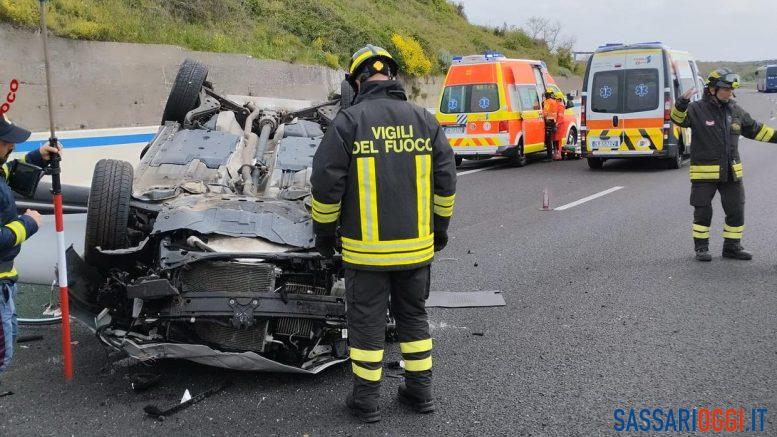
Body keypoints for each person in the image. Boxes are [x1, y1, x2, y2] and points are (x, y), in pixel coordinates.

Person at [311, 44, 456, 422]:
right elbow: (446, 183)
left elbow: (325, 187)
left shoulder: (348, 123)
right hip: (416, 251)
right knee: (413, 318)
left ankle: (366, 402)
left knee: (367, 325)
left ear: (356, 82)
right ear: (392, 77)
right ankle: (420, 393)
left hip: (366, 255)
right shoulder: (424, 120)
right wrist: (439, 229)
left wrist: (324, 235)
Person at [670, 68, 777, 261]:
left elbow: (757, 130)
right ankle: (701, 248)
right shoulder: (696, 109)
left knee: (736, 210)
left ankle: (732, 247)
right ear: (712, 89)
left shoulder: (735, 110)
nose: (729, 93)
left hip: (731, 173)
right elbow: (677, 119)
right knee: (703, 211)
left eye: (731, 89)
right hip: (704, 175)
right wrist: (682, 102)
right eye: (726, 89)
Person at [0, 114, 60, 375]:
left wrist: (38, 156)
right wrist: (27, 223)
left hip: (5, 280)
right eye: (5, 142)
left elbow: (8, 171)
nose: (12, 146)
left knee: (7, 341)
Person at [542, 89, 560, 160]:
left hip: (548, 122)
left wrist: (542, 116)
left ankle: (549, 157)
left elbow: (545, 112)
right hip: (553, 122)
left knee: (548, 140)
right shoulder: (554, 101)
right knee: (552, 139)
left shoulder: (547, 102)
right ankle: (555, 153)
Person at [553, 90, 568, 160]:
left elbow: (560, 116)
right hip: (557, 124)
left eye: (556, 99)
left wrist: (557, 123)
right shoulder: (558, 104)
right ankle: (556, 153)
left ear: (559, 99)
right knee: (555, 139)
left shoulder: (560, 106)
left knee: (558, 140)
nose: (555, 100)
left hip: (559, 125)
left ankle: (559, 154)